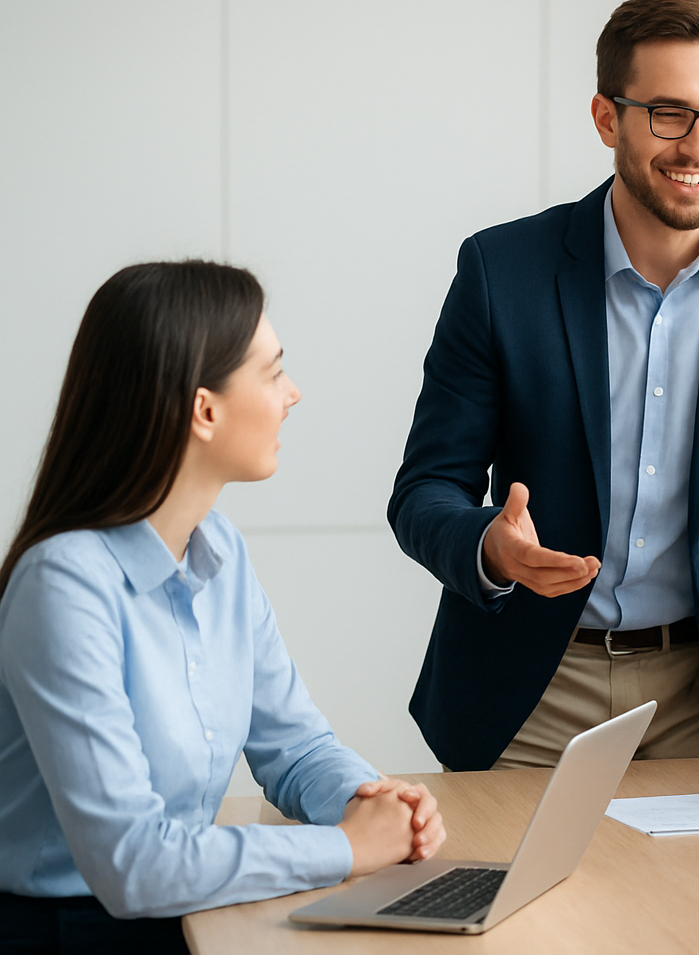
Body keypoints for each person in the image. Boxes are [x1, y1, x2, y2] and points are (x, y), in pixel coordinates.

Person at [389, 0, 699, 806]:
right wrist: (491, 550)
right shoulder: (503, 274)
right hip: (530, 693)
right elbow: (425, 490)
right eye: (670, 114)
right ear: (609, 119)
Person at [0, 262, 446, 954]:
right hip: (71, 932)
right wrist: (347, 849)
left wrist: (370, 800)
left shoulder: (220, 551)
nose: (293, 394)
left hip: (193, 910)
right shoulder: (63, 586)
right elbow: (134, 865)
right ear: (204, 410)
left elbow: (294, 748)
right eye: (273, 373)